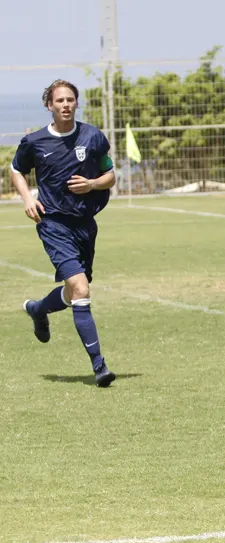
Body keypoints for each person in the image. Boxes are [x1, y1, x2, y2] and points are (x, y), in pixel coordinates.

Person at [10, 79, 117, 387]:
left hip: (85, 224)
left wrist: (92, 184)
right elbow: (17, 170)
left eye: (70, 99)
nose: (66, 104)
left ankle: (38, 309)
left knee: (73, 294)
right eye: (60, 101)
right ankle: (100, 367)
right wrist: (29, 198)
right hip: (53, 223)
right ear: (50, 106)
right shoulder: (35, 142)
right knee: (82, 290)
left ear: (76, 103)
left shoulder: (92, 136)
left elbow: (109, 174)